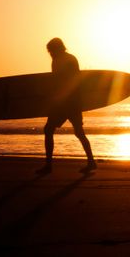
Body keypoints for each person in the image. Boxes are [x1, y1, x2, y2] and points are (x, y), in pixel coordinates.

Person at [36, 38, 97, 174]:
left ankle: (48, 166)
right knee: (79, 133)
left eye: (51, 50)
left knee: (49, 130)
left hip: (65, 103)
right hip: (73, 102)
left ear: (57, 48)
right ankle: (91, 162)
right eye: (49, 51)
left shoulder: (61, 60)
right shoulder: (67, 58)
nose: (50, 53)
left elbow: (64, 81)